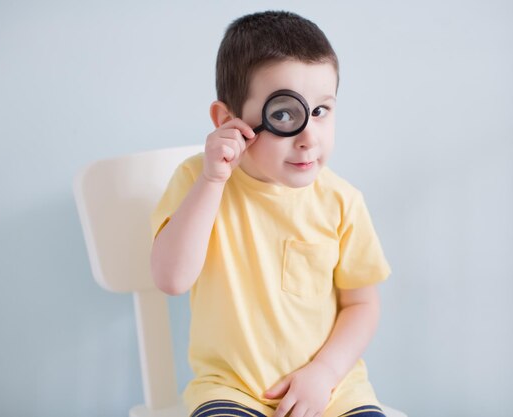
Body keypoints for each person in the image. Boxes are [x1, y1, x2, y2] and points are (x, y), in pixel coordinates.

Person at [150, 10, 391, 417]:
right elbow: (171, 280)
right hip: (232, 390)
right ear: (228, 121)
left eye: (321, 111)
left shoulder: (341, 201)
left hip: (331, 391)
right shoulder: (198, 180)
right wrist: (211, 181)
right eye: (284, 115)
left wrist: (325, 373)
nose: (308, 137)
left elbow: (362, 305)